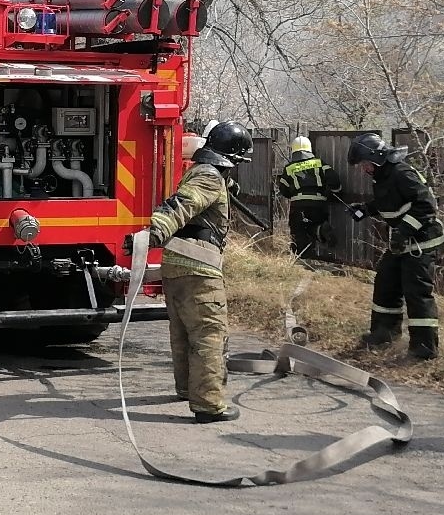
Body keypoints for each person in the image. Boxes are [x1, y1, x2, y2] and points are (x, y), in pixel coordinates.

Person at [145, 120, 254, 423]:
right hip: (200, 268)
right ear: (232, 157)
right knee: (208, 335)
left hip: (177, 265)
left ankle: (186, 389)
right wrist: (155, 230)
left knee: (182, 333)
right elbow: (183, 204)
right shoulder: (208, 177)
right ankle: (208, 405)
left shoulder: (203, 172)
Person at [348, 132, 443, 359]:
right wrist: (364, 210)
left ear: (377, 158)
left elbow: (427, 206)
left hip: (422, 241)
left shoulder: (402, 173)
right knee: (385, 283)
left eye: (365, 164)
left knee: (417, 293)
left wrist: (404, 230)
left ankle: (424, 349)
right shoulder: (383, 176)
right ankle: (384, 335)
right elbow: (388, 202)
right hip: (402, 243)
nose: (364, 169)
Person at [276, 135, 342, 260]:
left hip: (298, 204)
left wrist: (292, 194)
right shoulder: (319, 163)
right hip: (319, 203)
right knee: (314, 225)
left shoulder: (289, 168)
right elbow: (334, 180)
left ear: (293, 150)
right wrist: (334, 192)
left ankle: (302, 259)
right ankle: (321, 229)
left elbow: (283, 190)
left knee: (298, 231)